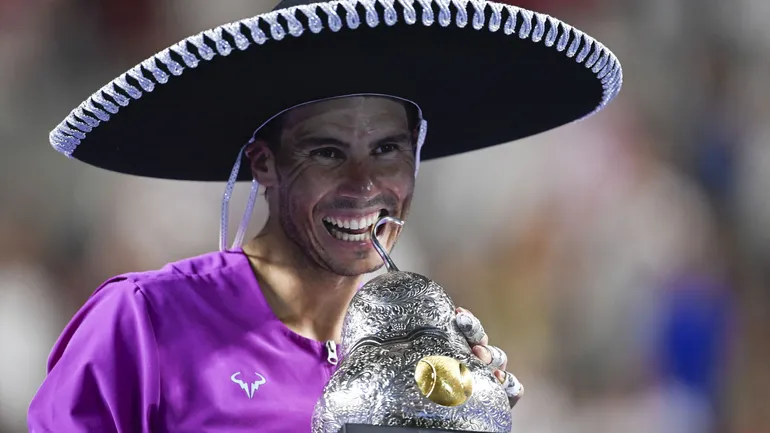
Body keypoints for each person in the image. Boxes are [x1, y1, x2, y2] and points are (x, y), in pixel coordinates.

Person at [29, 0, 622, 430]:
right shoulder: (142, 322)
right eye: (327, 152)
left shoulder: (433, 357)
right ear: (263, 165)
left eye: (387, 149)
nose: (363, 184)